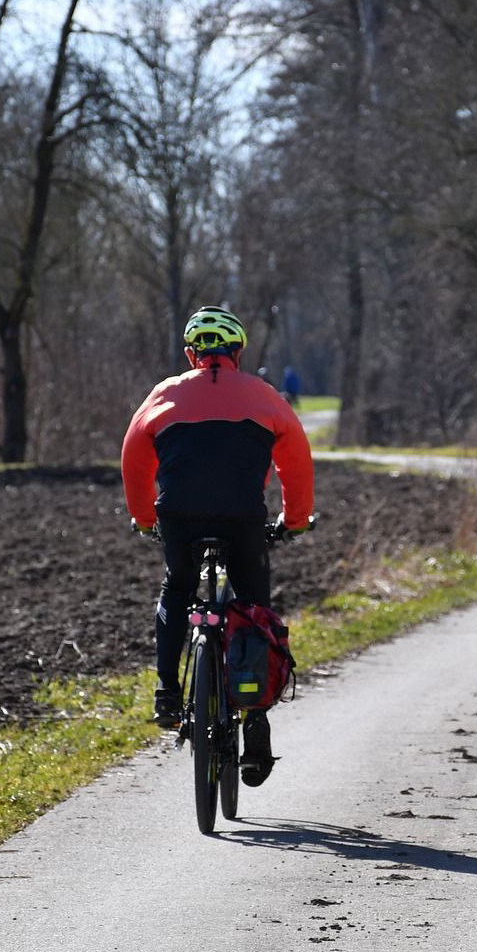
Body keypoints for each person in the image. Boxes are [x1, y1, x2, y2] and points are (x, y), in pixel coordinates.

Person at [121, 306, 314, 787]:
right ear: (238, 353)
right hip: (242, 518)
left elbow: (133, 458)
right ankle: (257, 723)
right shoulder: (266, 396)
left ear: (191, 354)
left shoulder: (163, 394)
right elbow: (296, 462)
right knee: (253, 607)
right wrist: (292, 521)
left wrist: (147, 519)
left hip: (179, 517)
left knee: (177, 588)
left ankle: (167, 691)